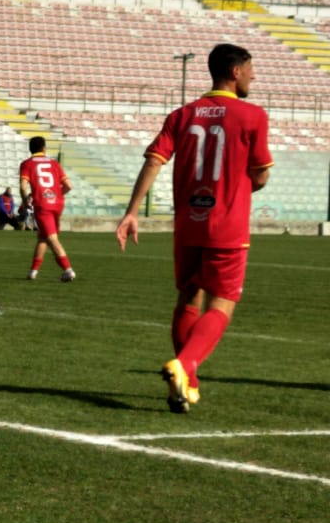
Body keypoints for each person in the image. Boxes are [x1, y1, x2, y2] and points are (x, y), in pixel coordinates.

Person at [116, 43, 272, 413]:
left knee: (188, 296)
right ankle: (184, 366)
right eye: (251, 69)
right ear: (234, 72)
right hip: (227, 225)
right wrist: (247, 182)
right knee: (224, 301)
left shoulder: (182, 115)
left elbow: (154, 162)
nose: (254, 75)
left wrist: (132, 211)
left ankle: (187, 385)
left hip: (188, 224)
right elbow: (261, 174)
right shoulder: (252, 115)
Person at [19, 137, 75, 281]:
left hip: (42, 204)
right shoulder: (54, 163)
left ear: (30, 149)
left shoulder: (27, 164)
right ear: (44, 148)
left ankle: (68, 270)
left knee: (51, 238)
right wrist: (55, 195)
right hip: (57, 204)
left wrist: (25, 202)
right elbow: (69, 186)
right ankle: (33, 271)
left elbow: (22, 186)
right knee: (43, 237)